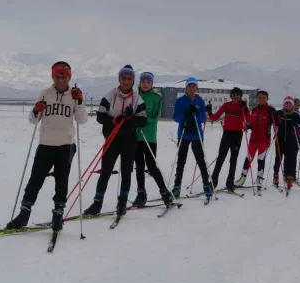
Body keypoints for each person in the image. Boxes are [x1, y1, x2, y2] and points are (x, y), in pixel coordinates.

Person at [6, 62, 87, 231]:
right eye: (57, 76)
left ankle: (58, 213)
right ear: (52, 77)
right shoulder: (45, 93)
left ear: (68, 77)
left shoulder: (74, 95)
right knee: (35, 180)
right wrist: (36, 110)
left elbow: (82, 120)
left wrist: (80, 102)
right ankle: (24, 213)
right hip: (45, 144)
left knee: (61, 181)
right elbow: (33, 119)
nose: (60, 80)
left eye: (63, 76)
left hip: (66, 145)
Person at [83, 65, 147, 217]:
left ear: (133, 80)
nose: (126, 81)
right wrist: (113, 120)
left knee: (126, 172)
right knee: (105, 171)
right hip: (112, 139)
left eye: (129, 78)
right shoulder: (110, 95)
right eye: (123, 78)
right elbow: (100, 116)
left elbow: (143, 120)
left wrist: (130, 119)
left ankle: (122, 203)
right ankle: (97, 203)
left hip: (129, 141)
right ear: (119, 79)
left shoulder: (137, 98)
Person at [132, 72, 174, 208]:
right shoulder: (134, 96)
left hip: (149, 137)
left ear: (152, 83)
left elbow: (156, 116)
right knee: (139, 166)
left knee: (151, 166)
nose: (145, 84)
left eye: (148, 82)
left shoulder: (157, 98)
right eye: (143, 81)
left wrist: (144, 120)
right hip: (136, 136)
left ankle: (165, 193)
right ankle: (141, 194)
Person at [171, 77, 213, 200]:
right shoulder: (180, 101)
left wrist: (197, 112)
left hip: (196, 134)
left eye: (194, 86)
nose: (192, 88)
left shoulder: (200, 101)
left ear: (196, 88)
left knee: (201, 160)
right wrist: (184, 116)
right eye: (189, 86)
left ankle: (206, 184)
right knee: (181, 161)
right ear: (186, 88)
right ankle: (177, 186)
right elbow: (175, 117)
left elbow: (203, 119)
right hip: (184, 134)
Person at [206, 87, 250, 192]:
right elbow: (214, 117)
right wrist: (209, 112)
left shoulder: (242, 106)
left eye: (238, 95)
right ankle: (213, 181)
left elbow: (248, 119)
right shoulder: (226, 105)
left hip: (237, 135)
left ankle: (230, 183)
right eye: (234, 95)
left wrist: (245, 108)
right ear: (231, 96)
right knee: (221, 158)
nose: (236, 97)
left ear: (240, 96)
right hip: (227, 134)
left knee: (233, 160)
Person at [236, 90, 275, 190]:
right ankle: (242, 178)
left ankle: (259, 179)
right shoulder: (254, 110)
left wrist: (276, 124)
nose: (261, 99)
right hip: (253, 139)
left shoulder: (270, 110)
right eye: (259, 98)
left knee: (260, 159)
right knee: (248, 158)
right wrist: (247, 126)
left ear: (267, 99)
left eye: (263, 98)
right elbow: (252, 123)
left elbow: (276, 122)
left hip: (264, 140)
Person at [273, 96, 300, 190]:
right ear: (284, 104)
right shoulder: (279, 113)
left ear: (292, 105)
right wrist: (276, 122)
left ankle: (289, 177)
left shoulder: (295, 114)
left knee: (290, 159)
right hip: (280, 139)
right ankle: (275, 175)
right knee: (278, 158)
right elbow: (273, 120)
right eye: (286, 103)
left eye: (290, 103)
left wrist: (296, 124)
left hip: (291, 140)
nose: (288, 105)